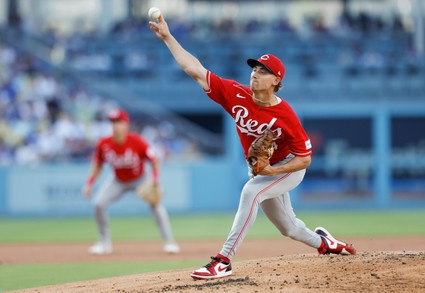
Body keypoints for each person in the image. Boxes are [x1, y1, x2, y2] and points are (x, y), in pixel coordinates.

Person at [149, 14, 356, 280]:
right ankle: (326, 243)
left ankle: (223, 261)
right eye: (254, 69)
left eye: (262, 71)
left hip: (288, 167)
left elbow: (305, 159)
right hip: (264, 170)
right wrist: (168, 37)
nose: (255, 74)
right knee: (289, 228)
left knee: (250, 193)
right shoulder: (236, 93)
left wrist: (271, 171)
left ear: (276, 81)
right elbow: (195, 69)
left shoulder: (286, 115)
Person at [82, 109, 180, 255]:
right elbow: (98, 164)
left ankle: (169, 242)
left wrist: (154, 179)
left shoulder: (137, 141)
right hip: (118, 180)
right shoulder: (104, 143)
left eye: (118, 122)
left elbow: (154, 160)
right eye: (113, 122)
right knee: (98, 204)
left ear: (126, 124)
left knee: (156, 205)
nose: (115, 125)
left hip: (140, 179)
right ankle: (104, 243)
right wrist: (89, 183)